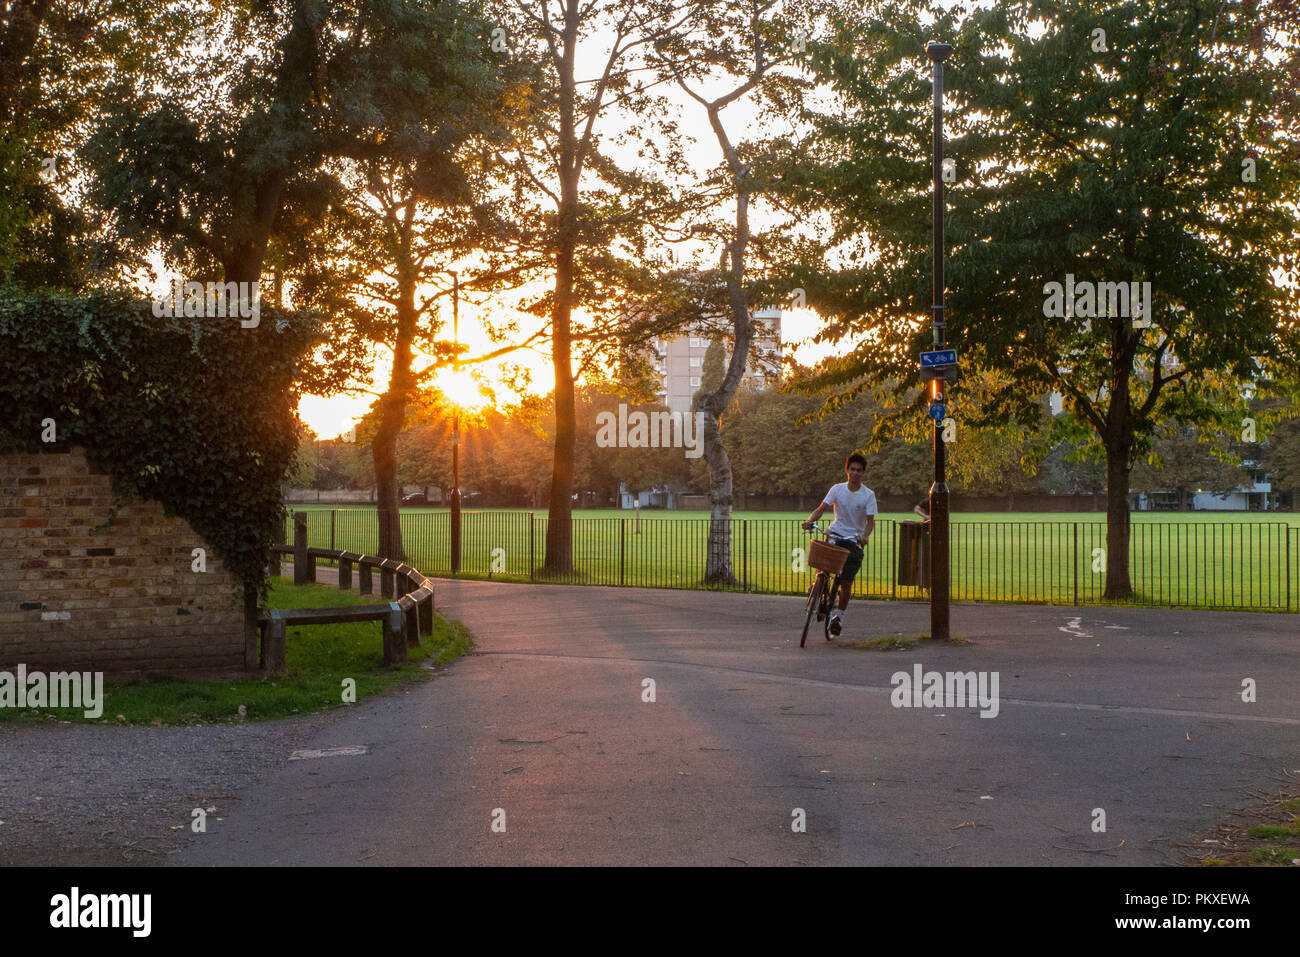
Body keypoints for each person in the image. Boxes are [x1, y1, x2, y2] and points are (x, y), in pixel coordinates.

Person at [802, 453, 877, 635]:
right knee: (822, 562)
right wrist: (810, 520)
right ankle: (818, 587)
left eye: (859, 470)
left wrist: (864, 537)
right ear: (847, 470)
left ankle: (839, 616)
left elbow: (870, 522)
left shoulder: (868, 495)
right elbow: (821, 509)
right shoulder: (837, 489)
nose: (855, 473)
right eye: (852, 469)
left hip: (853, 540)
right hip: (835, 534)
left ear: (863, 473)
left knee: (845, 582)